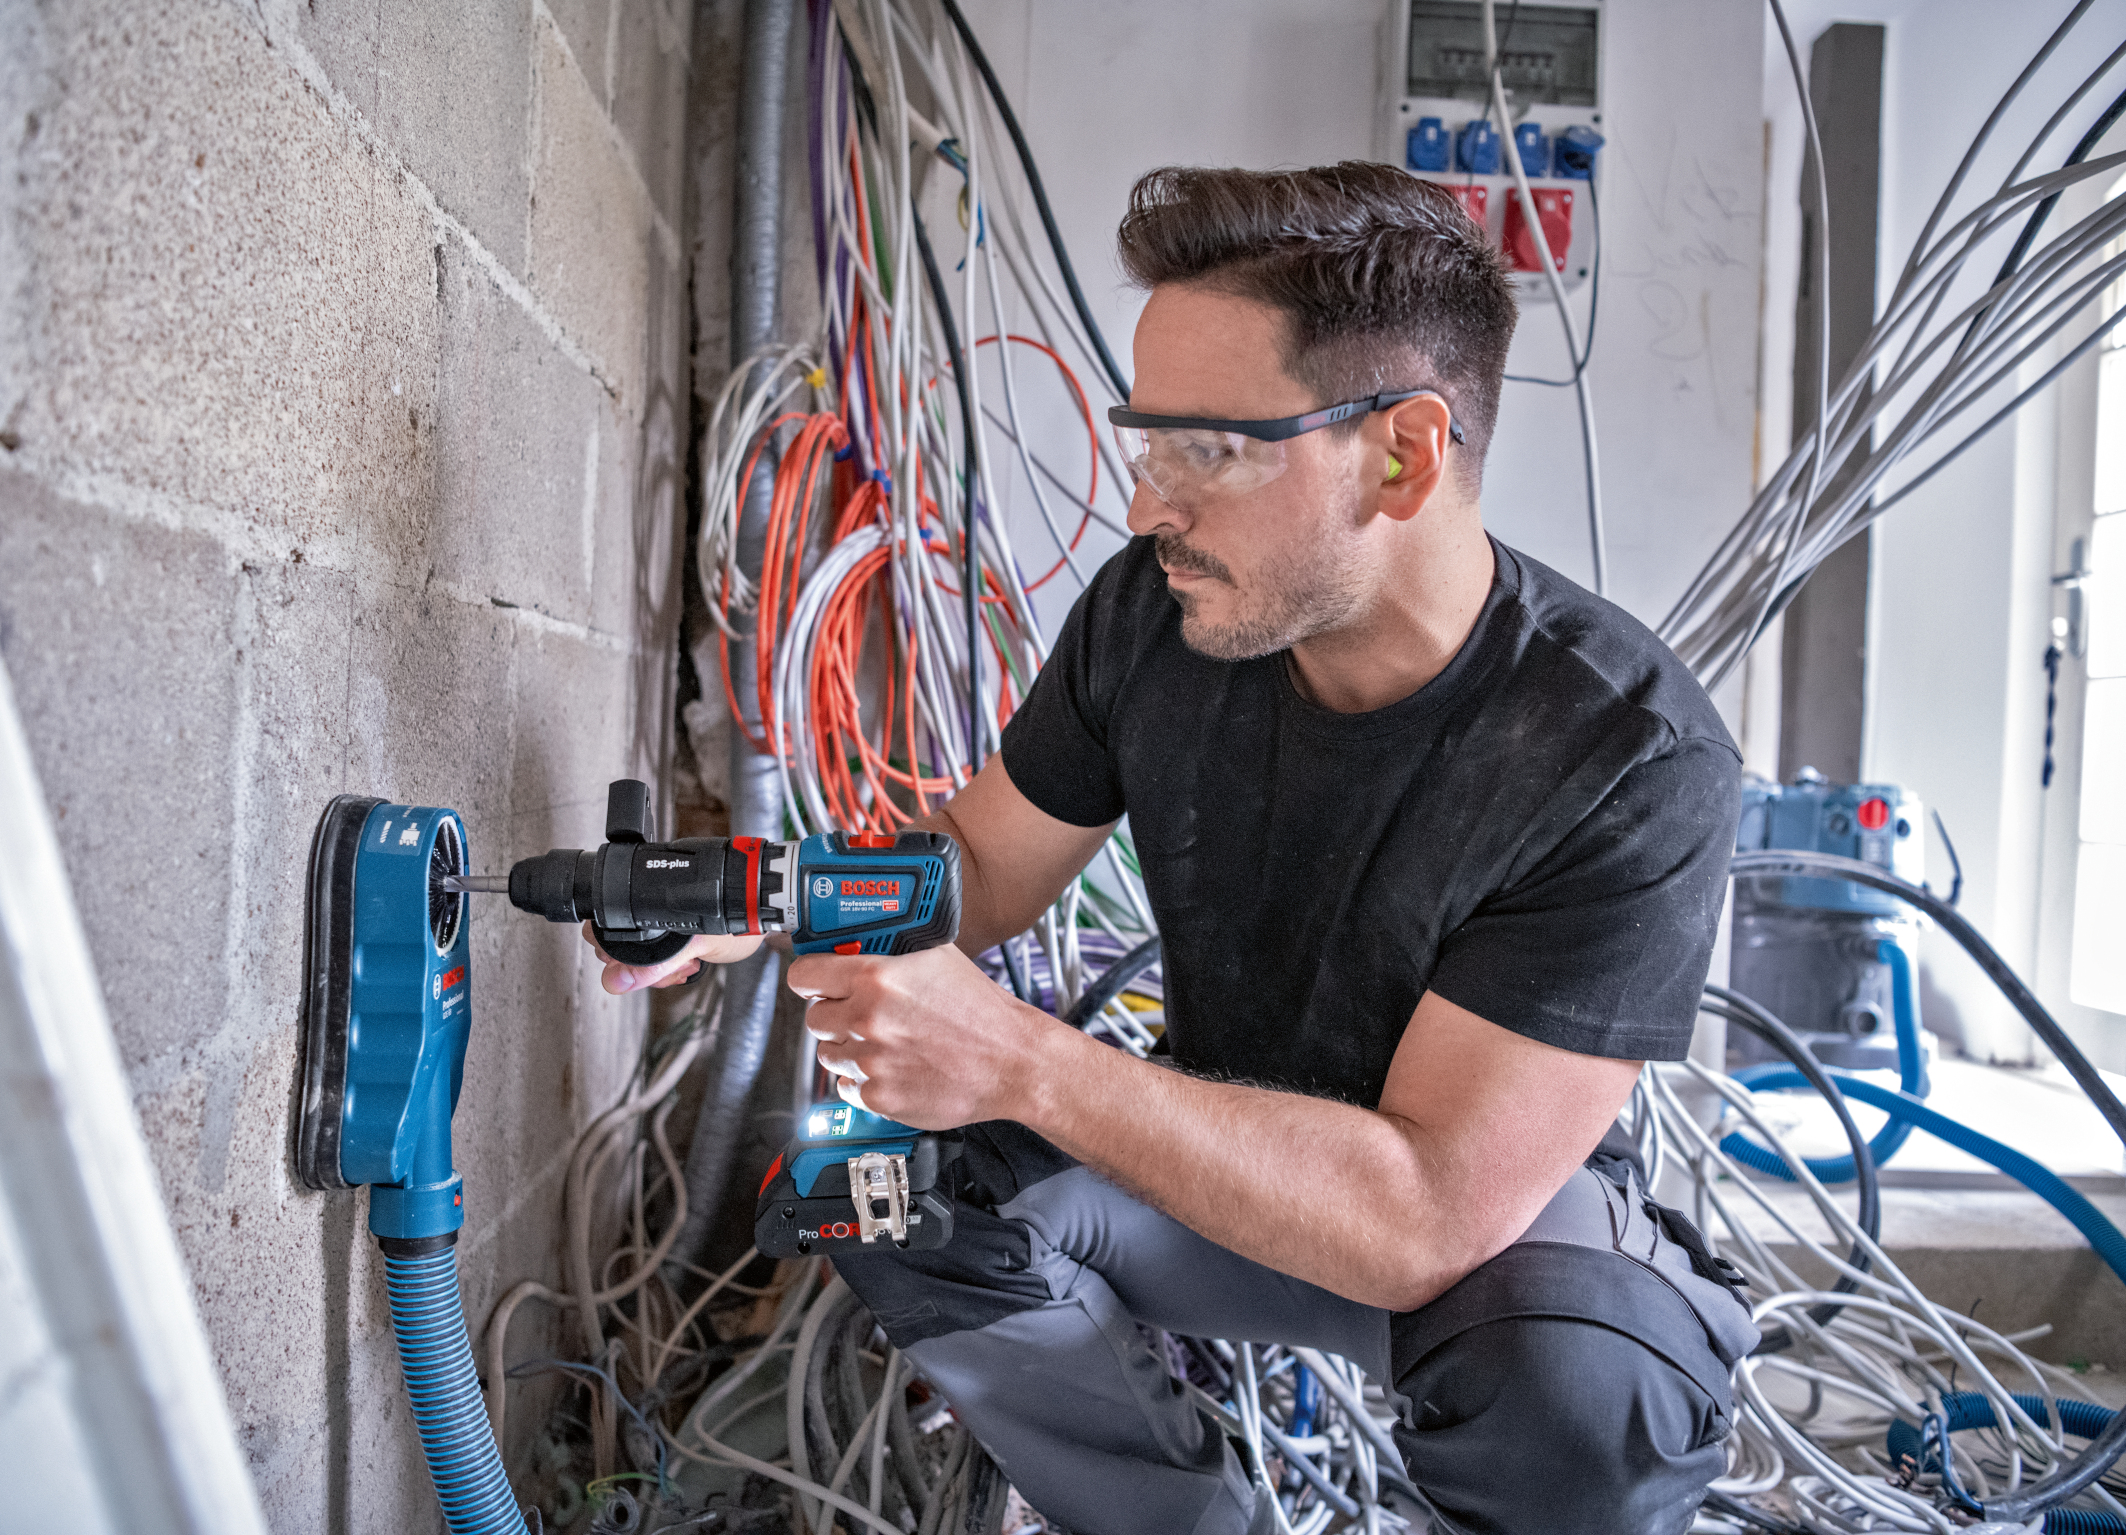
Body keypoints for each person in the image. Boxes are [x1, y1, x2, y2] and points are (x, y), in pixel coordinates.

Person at [595, 162, 1757, 1535]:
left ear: (1401, 454)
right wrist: (776, 894)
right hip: (1192, 1174)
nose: (1149, 506)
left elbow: (1422, 1218)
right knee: (868, 1193)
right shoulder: (1155, 615)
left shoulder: (1622, 751)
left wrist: (1023, 1060)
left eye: (1207, 449)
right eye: (1147, 444)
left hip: (1475, 1248)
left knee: (1584, 1393)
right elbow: (977, 865)